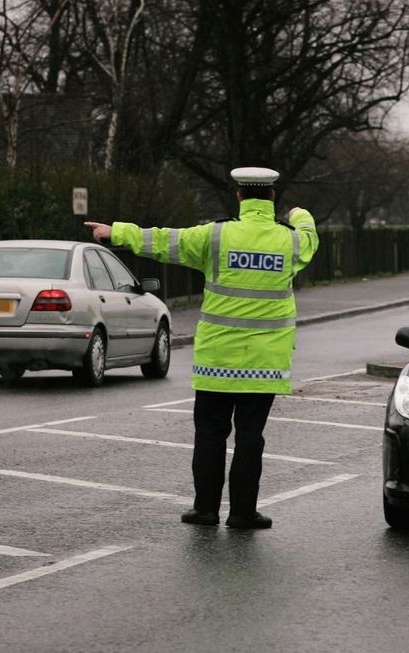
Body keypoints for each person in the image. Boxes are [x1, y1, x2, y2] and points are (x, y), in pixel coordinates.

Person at [84, 167, 318, 529]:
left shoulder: (215, 236)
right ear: (271, 198)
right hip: (265, 364)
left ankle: (205, 509)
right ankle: (242, 513)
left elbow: (163, 241)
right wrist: (299, 214)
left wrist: (117, 232)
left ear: (239, 197)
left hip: (216, 362)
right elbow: (310, 235)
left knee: (210, 435)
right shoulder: (291, 242)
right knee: (250, 438)